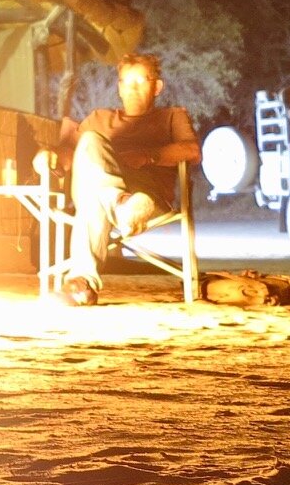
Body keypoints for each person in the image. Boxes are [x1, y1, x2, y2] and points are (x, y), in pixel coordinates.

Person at [53, 53, 200, 306]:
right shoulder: (98, 118)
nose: (132, 88)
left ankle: (81, 284)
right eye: (125, 81)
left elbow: (191, 151)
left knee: (92, 203)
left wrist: (148, 155)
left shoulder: (171, 117)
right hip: (112, 200)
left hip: (147, 202)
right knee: (89, 142)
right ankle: (120, 203)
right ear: (119, 87)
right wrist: (48, 158)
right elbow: (66, 155)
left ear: (157, 87)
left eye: (141, 81)